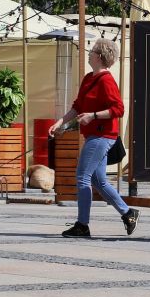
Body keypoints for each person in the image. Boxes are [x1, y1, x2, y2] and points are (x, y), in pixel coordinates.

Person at [50, 38, 138, 238]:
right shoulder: (89, 78)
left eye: (92, 51)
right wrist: (60, 123)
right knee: (99, 181)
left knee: (83, 177)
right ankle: (128, 213)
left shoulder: (106, 80)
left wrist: (93, 116)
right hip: (94, 135)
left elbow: (119, 109)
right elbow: (78, 107)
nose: (89, 53)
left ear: (99, 56)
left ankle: (82, 225)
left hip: (102, 136)